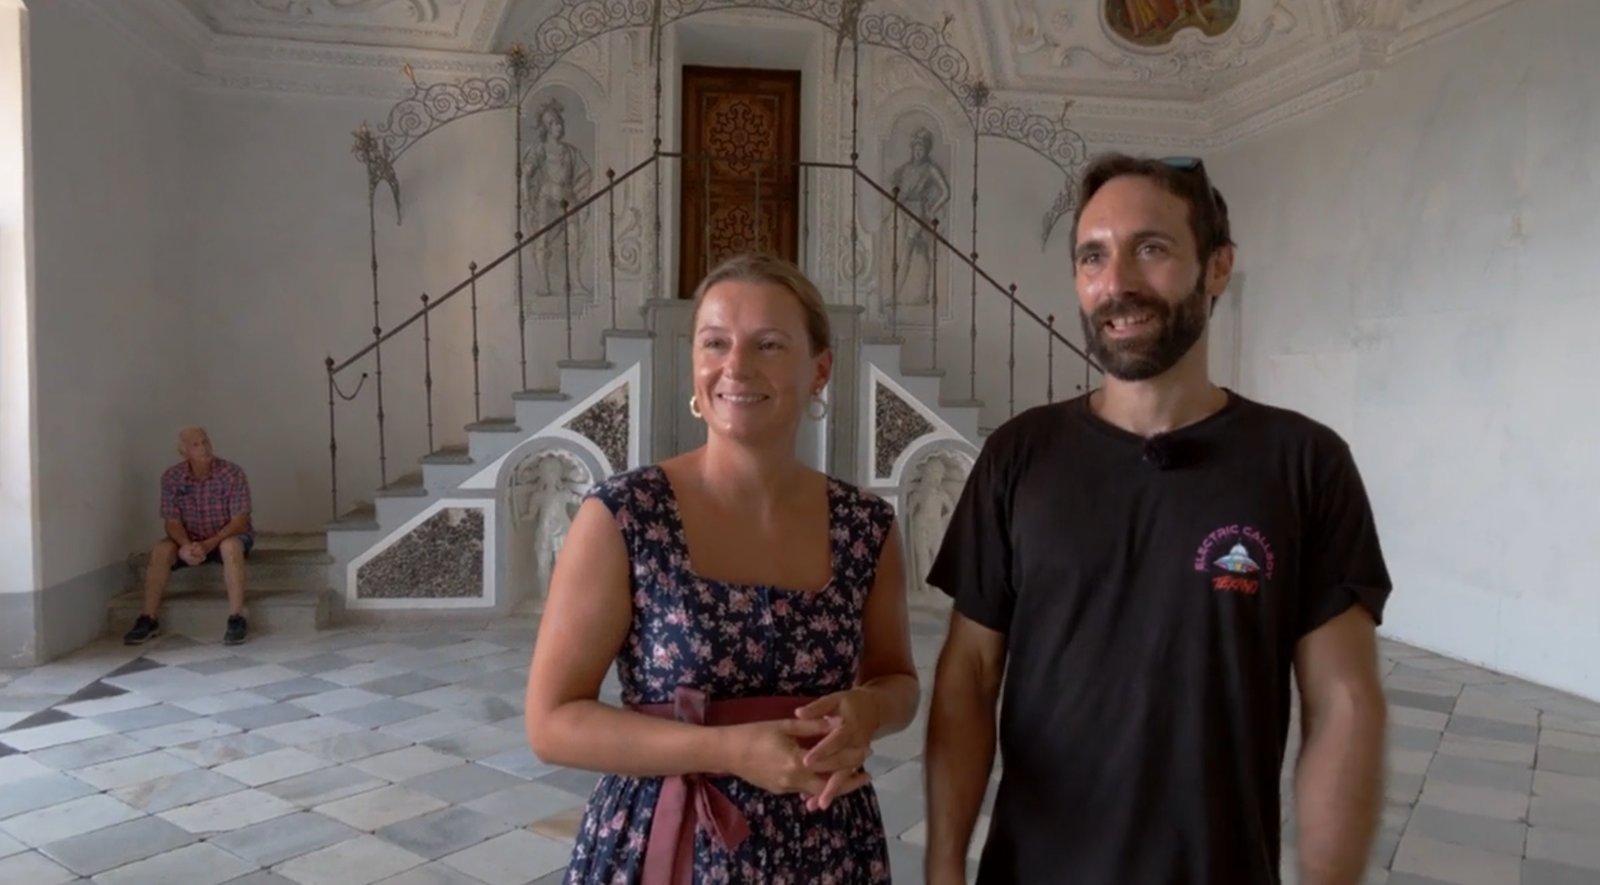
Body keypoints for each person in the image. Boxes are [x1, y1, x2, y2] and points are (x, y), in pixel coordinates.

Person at [922, 153, 1392, 885]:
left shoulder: (1304, 463)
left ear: (1217, 266)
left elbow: (1343, 701)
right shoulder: (1020, 456)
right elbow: (971, 673)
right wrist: (945, 865)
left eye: (1152, 248)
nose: (1118, 284)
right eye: (1093, 256)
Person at [523, 252, 920, 884]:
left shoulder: (864, 527)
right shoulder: (625, 516)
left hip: (825, 848)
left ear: (820, 370)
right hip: (669, 840)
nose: (736, 367)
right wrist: (726, 751)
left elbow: (897, 681)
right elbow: (552, 723)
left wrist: (866, 713)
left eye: (769, 345)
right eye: (715, 343)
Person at [124, 425, 254, 646]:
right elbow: (171, 522)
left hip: (224, 537)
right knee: (161, 550)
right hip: (190, 539)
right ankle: (148, 618)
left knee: (230, 547)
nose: (203, 448)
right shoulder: (172, 477)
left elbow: (240, 521)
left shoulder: (232, 473)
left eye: (205, 442)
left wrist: (209, 544)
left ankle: (236, 617)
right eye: (196, 445)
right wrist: (185, 546)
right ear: (183, 451)